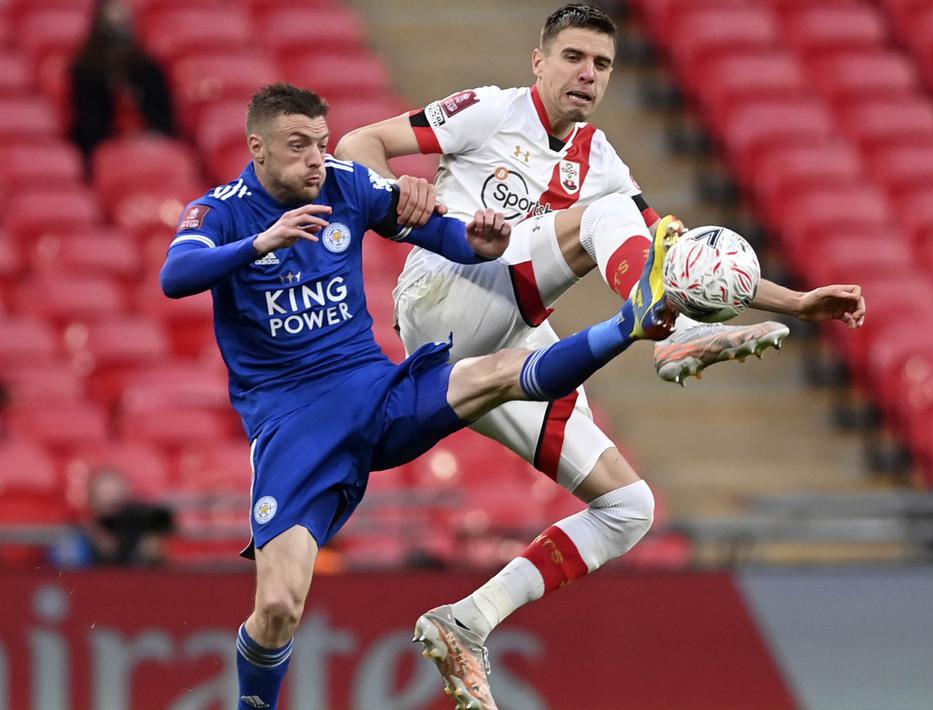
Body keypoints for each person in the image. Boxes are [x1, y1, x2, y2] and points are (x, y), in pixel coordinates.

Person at [336, 4, 866, 707]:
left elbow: (677, 259)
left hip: (508, 342)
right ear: (539, 61)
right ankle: (671, 339)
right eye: (574, 58)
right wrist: (395, 188)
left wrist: (795, 303)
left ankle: (466, 622)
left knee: (628, 507)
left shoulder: (599, 158)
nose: (587, 75)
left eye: (602, 65)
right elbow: (356, 140)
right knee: (604, 217)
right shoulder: (489, 112)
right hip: (443, 300)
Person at [160, 82, 682, 710]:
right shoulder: (219, 211)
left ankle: (631, 322)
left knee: (496, 374)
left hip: (375, 391)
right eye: (298, 147)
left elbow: (437, 230)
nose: (315, 160)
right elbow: (175, 276)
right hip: (293, 423)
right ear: (258, 148)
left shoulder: (346, 184)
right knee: (276, 607)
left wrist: (479, 243)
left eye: (321, 145)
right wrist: (259, 244)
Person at [68, 0, 178, 160]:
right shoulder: (86, 71)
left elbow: (163, 114)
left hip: (151, 141)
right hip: (105, 144)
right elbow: (87, 122)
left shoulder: (147, 69)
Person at [49, 467, 175, 568]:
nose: (112, 515)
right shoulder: (73, 543)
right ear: (91, 503)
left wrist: (150, 556)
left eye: (117, 504)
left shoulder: (140, 541)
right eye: (105, 504)